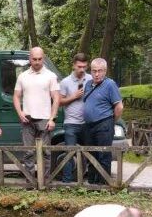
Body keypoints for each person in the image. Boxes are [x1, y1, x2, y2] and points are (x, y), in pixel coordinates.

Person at [13, 47, 60, 182]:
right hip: (27, 119)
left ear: (43, 58)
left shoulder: (51, 76)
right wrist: (20, 112)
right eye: (34, 59)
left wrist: (52, 118)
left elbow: (56, 98)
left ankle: (44, 181)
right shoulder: (22, 76)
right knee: (28, 152)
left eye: (40, 59)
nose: (37, 62)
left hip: (45, 119)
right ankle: (30, 181)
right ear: (30, 59)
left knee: (46, 152)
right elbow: (16, 97)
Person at [82, 58, 123, 185]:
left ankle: (104, 183)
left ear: (105, 71)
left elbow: (119, 107)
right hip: (89, 125)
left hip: (104, 123)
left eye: (100, 71)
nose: (97, 74)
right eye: (94, 71)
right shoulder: (88, 84)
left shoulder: (110, 84)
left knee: (103, 154)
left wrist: (111, 121)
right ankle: (92, 182)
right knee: (91, 153)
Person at [58, 53, 92, 182]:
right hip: (71, 123)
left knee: (89, 151)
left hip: (87, 123)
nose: (82, 69)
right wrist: (74, 96)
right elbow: (59, 102)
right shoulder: (65, 82)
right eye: (79, 66)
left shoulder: (91, 79)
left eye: (84, 66)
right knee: (70, 153)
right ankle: (67, 181)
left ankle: (90, 181)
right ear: (73, 65)